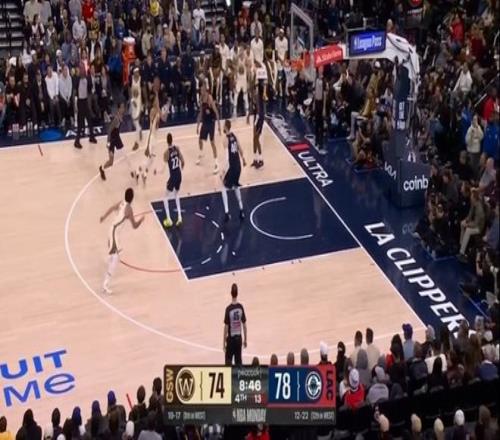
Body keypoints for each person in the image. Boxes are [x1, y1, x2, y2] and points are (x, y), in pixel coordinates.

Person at [99, 188, 145, 294]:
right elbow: (134, 226)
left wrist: (104, 217)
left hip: (112, 230)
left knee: (115, 255)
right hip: (114, 233)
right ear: (132, 198)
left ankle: (109, 258)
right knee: (116, 258)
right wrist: (141, 220)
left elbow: (112, 208)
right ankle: (105, 284)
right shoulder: (129, 209)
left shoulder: (121, 203)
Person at [134, 93, 164, 185]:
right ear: (154, 102)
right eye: (156, 100)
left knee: (152, 159)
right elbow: (151, 128)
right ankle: (137, 171)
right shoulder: (152, 111)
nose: (158, 102)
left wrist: (157, 94)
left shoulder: (158, 110)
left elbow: (163, 118)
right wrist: (147, 145)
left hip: (155, 137)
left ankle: (144, 174)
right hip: (151, 136)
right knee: (147, 157)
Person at [220, 119, 246, 222]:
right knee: (236, 186)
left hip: (231, 167)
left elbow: (227, 159)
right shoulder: (234, 136)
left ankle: (227, 213)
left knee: (223, 187)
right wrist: (243, 159)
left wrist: (223, 172)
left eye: (223, 126)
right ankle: (241, 210)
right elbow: (240, 148)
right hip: (238, 166)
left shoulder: (225, 139)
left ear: (226, 127)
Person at [99, 102, 132, 181]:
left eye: (123, 107)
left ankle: (132, 171)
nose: (123, 109)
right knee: (111, 162)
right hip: (112, 140)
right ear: (118, 109)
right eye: (122, 107)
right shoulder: (116, 119)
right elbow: (109, 130)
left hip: (117, 139)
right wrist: (108, 143)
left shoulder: (120, 116)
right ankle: (102, 168)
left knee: (125, 155)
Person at [196, 85, 221, 173]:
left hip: (211, 122)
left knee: (212, 143)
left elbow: (216, 112)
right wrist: (197, 125)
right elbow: (200, 113)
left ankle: (216, 163)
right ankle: (201, 154)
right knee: (200, 140)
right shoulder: (201, 99)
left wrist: (219, 126)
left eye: (202, 90)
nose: (201, 92)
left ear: (205, 90)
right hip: (205, 122)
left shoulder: (209, 98)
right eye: (200, 90)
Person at [162, 132, 185, 228]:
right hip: (179, 175)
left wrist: (157, 172)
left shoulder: (166, 153)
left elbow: (163, 168)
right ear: (172, 140)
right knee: (176, 194)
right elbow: (183, 161)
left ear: (167, 141)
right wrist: (181, 167)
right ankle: (179, 217)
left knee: (165, 198)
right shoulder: (177, 148)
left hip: (173, 177)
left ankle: (169, 219)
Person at [223, 283, 247, 366]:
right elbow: (244, 325)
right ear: (237, 293)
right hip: (239, 339)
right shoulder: (240, 307)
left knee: (228, 362)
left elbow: (226, 327)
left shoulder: (228, 309)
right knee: (238, 363)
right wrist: (245, 339)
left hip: (231, 340)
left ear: (231, 293)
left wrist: (223, 343)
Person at [74, 65, 96, 149]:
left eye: (83, 69)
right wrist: (75, 105)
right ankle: (77, 141)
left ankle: (91, 137)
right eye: (81, 70)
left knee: (89, 119)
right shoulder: (77, 80)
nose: (82, 71)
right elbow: (74, 92)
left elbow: (90, 89)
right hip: (80, 102)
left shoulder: (88, 78)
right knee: (80, 123)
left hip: (85, 101)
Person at [251, 80, 265, 168]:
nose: (255, 91)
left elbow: (259, 113)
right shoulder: (253, 98)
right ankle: (255, 159)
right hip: (255, 119)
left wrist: (256, 122)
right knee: (254, 139)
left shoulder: (259, 99)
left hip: (260, 119)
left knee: (256, 138)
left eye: (256, 90)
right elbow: (254, 110)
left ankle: (261, 159)